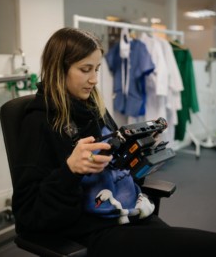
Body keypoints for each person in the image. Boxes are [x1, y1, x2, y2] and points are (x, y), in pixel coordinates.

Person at [13, 27, 216, 256]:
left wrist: (138, 151)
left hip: (129, 212)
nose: (94, 80)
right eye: (85, 69)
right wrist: (70, 170)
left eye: (97, 69)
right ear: (60, 69)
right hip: (94, 228)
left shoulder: (93, 108)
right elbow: (28, 214)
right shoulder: (39, 122)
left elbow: (116, 166)